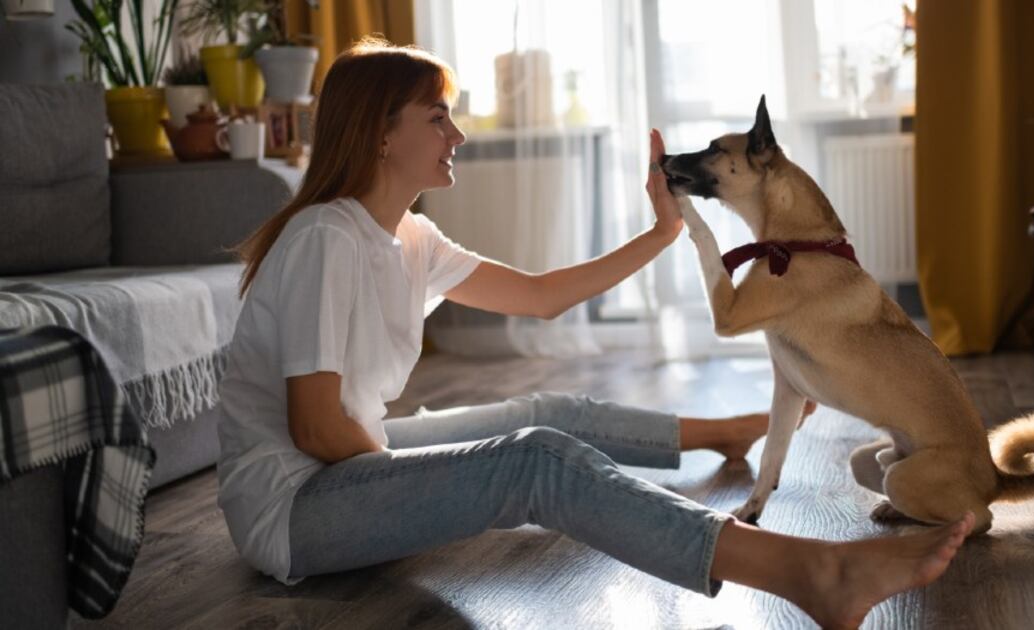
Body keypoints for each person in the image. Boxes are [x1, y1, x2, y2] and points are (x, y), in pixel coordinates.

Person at [215, 37, 973, 630]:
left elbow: (544, 298)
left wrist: (663, 229)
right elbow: (315, 427)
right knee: (534, 461)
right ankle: (811, 573)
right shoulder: (324, 238)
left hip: (346, 463)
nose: (460, 133)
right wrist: (429, 478)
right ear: (379, 136)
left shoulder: (409, 237)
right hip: (295, 509)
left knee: (542, 415)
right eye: (437, 117)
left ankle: (725, 432)